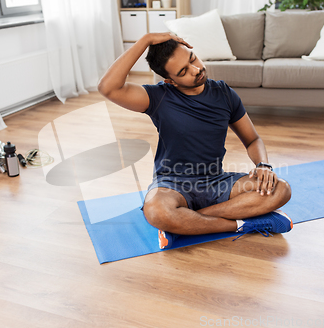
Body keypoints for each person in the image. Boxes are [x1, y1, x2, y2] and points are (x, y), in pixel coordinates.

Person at [98, 33, 292, 249]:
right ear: (170, 81)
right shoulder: (157, 97)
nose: (196, 69)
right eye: (183, 71)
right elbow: (108, 88)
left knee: (280, 189)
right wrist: (145, 40)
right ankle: (238, 224)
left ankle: (183, 223)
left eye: (192, 59)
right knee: (156, 211)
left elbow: (253, 139)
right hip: (172, 184)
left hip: (216, 182)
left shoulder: (224, 94)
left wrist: (263, 164)